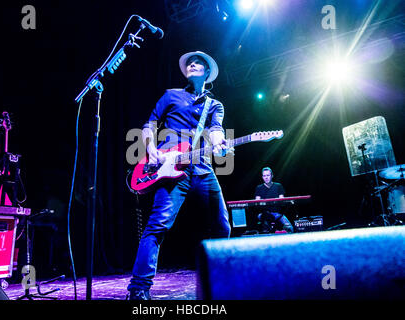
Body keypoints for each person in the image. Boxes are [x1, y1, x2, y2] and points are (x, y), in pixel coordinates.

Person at [126, 51, 231, 300]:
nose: (192, 64)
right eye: (189, 63)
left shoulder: (214, 105)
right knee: (157, 225)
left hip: (202, 168)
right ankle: (138, 288)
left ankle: (221, 282)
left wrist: (220, 142)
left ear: (207, 72)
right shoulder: (171, 95)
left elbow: (216, 130)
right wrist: (151, 150)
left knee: (221, 224)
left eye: (199, 63)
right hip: (171, 169)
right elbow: (149, 124)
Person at [254, 167, 293, 233]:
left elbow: (281, 200)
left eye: (268, 175)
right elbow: (257, 202)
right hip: (264, 214)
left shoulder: (278, 186)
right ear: (262, 177)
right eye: (264, 176)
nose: (266, 177)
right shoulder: (259, 188)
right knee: (265, 226)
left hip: (277, 214)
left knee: (290, 228)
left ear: (272, 176)